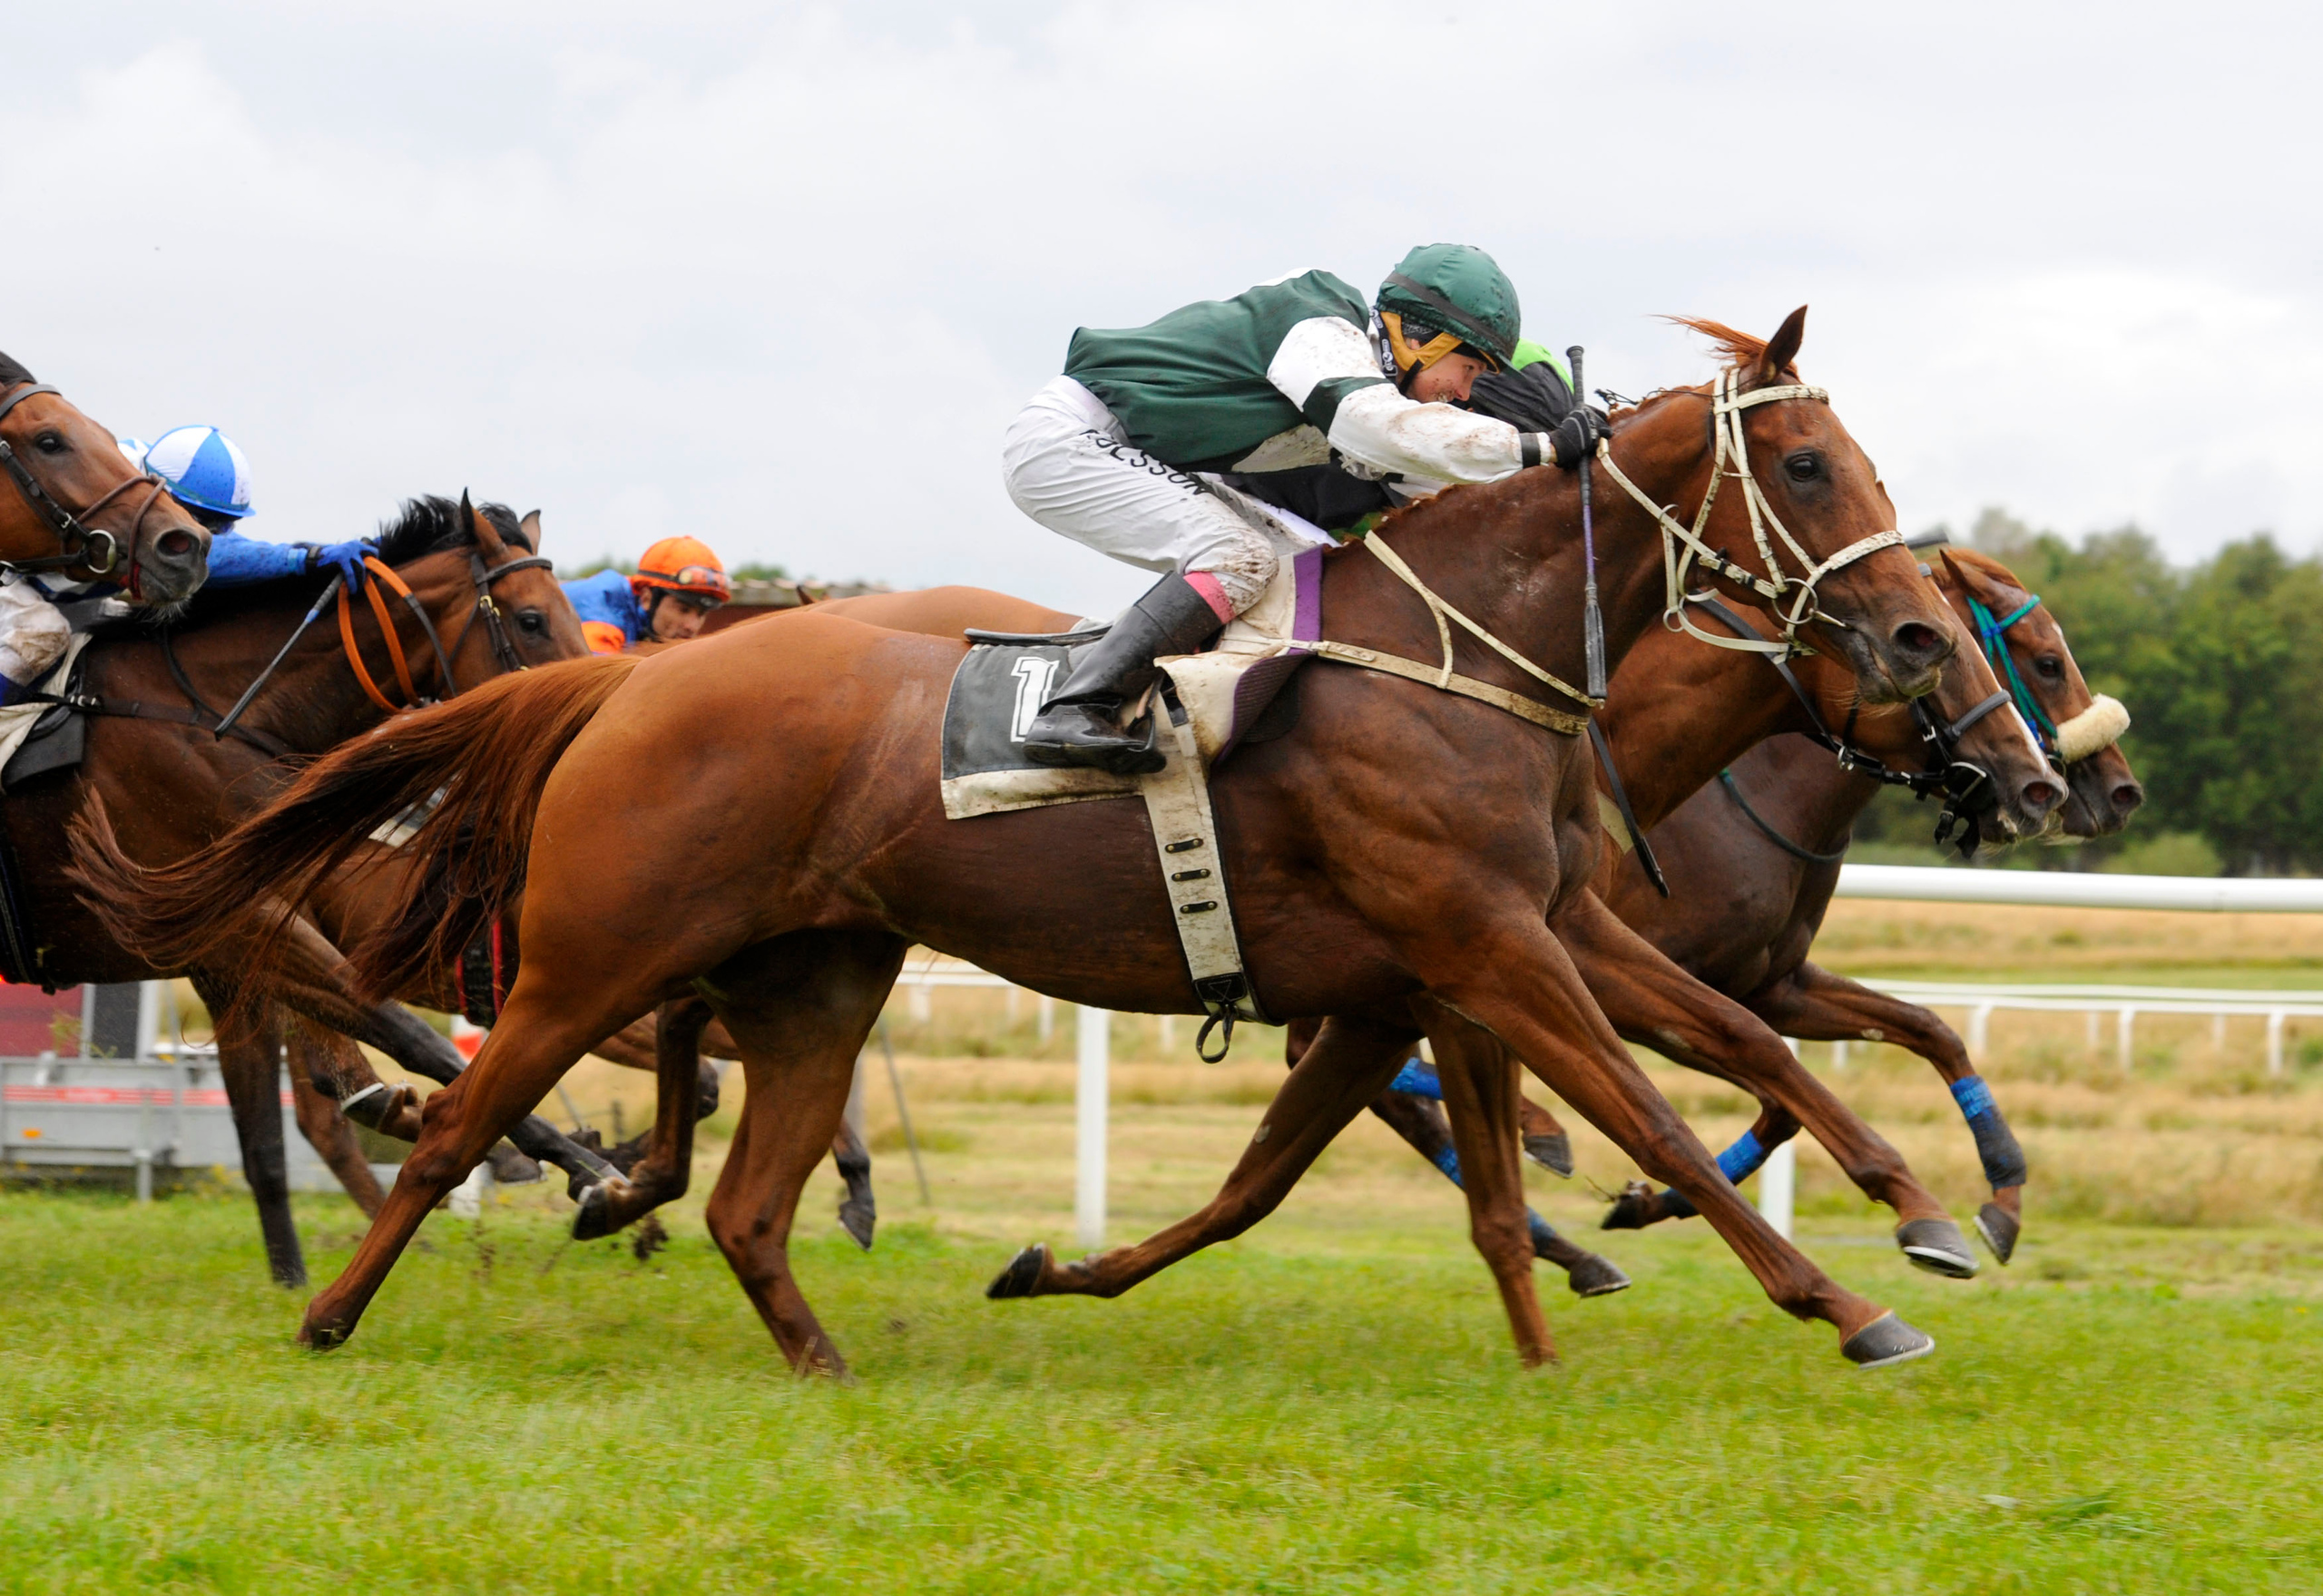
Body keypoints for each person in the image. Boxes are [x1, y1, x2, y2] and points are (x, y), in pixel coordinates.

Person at [1001, 244, 1599, 773]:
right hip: (1070, 440)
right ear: (1421, 337)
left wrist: (1570, 484)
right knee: (1239, 558)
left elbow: (1434, 483)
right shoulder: (1321, 321)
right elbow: (1379, 429)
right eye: (1467, 369)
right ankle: (1078, 707)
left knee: (1315, 573)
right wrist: (1542, 447)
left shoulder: (1364, 380)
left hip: (1130, 452)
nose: (1466, 394)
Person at [0, 423, 370, 708]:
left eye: (218, 523)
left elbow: (226, 551)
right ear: (159, 488)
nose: (205, 533)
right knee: (43, 633)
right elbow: (217, 557)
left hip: (57, 589)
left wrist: (307, 555)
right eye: (200, 518)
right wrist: (307, 558)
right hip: (12, 574)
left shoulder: (157, 477)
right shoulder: (117, 486)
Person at [562, 535, 731, 654]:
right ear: (646, 598)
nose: (692, 627)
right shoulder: (602, 611)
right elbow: (599, 690)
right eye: (683, 610)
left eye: (701, 614)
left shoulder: (640, 618)